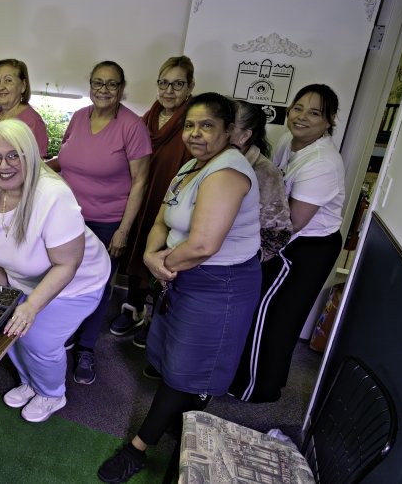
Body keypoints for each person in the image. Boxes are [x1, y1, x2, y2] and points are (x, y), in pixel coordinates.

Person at [98, 93, 262, 483]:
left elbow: (204, 245)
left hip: (219, 285)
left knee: (186, 373)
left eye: (207, 126)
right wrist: (154, 256)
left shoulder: (228, 172)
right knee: (169, 357)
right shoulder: (192, 166)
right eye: (190, 125)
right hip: (181, 274)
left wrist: (160, 264)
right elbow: (162, 217)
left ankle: (137, 449)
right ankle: (178, 420)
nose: (196, 133)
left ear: (229, 132)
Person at [0, 119, 110, 423]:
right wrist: (6, 294)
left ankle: (52, 393)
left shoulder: (53, 196)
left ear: (31, 157)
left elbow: (68, 264)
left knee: (38, 339)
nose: (4, 164)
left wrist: (32, 307)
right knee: (8, 328)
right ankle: (31, 383)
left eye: (15, 155)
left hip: (76, 281)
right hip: (23, 279)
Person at [230, 85, 345, 403]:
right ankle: (268, 380)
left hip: (304, 245)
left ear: (330, 120)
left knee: (269, 313)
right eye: (298, 108)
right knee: (276, 313)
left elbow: (291, 221)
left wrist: (243, 239)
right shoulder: (287, 140)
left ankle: (253, 387)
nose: (302, 117)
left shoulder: (323, 162)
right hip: (285, 237)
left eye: (314, 112)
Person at [47, 61, 151, 385]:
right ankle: (62, 334)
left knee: (98, 288)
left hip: (107, 222)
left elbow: (140, 181)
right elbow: (63, 162)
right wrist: (29, 165)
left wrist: (123, 229)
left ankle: (86, 349)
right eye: (98, 83)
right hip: (68, 217)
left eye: (111, 84)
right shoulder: (78, 117)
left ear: (122, 88)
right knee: (61, 277)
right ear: (89, 85)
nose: (103, 90)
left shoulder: (132, 127)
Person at [110, 56, 195, 343]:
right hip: (143, 194)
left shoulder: (191, 120)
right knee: (136, 249)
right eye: (164, 83)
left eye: (177, 84)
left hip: (172, 199)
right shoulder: (148, 117)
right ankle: (133, 310)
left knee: (163, 256)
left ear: (190, 87)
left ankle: (155, 321)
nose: (169, 91)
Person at [230, 100, 292, 262]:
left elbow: (277, 232)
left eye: (228, 126)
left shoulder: (265, 172)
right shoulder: (202, 159)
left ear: (245, 136)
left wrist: (244, 261)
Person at [0, 59, 48, 156]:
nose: (0, 87)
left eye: (8, 80)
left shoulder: (33, 122)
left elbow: (36, 165)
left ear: (23, 86)